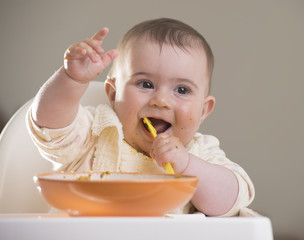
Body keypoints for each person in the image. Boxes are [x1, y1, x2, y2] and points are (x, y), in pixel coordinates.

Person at [27, 18, 254, 216]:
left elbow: (233, 201)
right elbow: (49, 126)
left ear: (203, 110)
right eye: (145, 84)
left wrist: (187, 165)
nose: (161, 100)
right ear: (114, 94)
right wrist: (71, 80)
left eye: (182, 90)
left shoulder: (201, 153)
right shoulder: (93, 132)